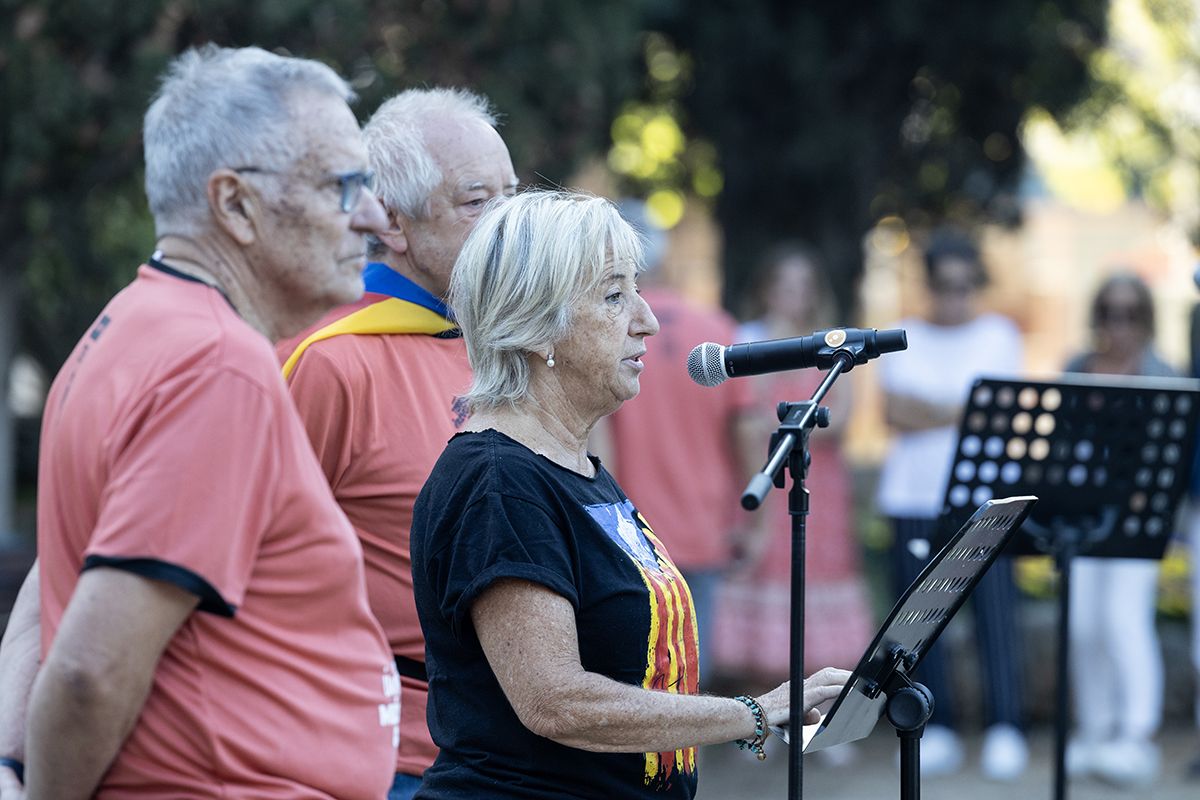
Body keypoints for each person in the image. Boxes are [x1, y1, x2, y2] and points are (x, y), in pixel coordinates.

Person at [0, 45, 400, 797]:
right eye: (343, 186)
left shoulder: (129, 326)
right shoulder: (217, 368)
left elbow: (45, 599)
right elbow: (88, 670)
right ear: (235, 204)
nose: (374, 218)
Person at [409, 190, 850, 798]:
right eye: (614, 296)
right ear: (538, 327)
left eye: (636, 290)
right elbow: (557, 701)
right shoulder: (499, 482)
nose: (648, 319)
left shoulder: (571, 463)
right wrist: (756, 711)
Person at [276, 87, 518, 800]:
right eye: (477, 202)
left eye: (512, 195)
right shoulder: (328, 360)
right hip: (380, 761)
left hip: (507, 747)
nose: (509, 223)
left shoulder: (503, 343)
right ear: (393, 222)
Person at [874, 228, 1028, 780]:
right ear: (929, 285)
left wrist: (935, 409)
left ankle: (1005, 724)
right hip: (911, 495)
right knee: (918, 623)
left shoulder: (999, 333)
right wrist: (967, 407)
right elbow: (894, 413)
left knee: (996, 615)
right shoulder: (903, 335)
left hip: (988, 497)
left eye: (964, 286)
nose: (954, 297)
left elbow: (1002, 414)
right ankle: (932, 723)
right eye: (944, 286)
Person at [595, 199, 759, 688]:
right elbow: (748, 433)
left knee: (632, 673)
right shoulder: (717, 329)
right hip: (705, 525)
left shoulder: (603, 333)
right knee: (690, 671)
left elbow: (598, 441)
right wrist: (758, 520)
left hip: (627, 529)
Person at [714, 244, 874, 689]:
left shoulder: (833, 343)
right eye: (784, 286)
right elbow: (746, 414)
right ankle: (763, 700)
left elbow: (843, 417)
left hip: (820, 480)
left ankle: (817, 699)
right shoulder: (751, 340)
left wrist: (789, 426)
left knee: (817, 572)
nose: (794, 295)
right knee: (766, 567)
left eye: (803, 287)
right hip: (768, 469)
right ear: (766, 290)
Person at [1063, 272, 1174, 787]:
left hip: (1137, 518)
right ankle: (1095, 730)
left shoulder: (1162, 372)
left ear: (1146, 318)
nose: (1120, 325)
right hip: (1085, 516)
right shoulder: (1077, 368)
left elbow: (1170, 456)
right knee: (1083, 622)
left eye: (1131, 314)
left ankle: (1136, 734)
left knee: (1123, 619)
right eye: (1110, 313)